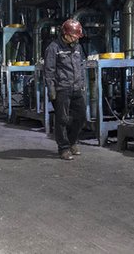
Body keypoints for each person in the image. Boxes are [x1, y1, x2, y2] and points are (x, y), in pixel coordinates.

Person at [44, 18, 86, 161]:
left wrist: (82, 83)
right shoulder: (53, 48)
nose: (75, 39)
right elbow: (49, 70)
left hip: (77, 87)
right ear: (65, 34)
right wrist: (51, 90)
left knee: (81, 116)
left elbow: (81, 66)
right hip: (62, 88)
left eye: (77, 37)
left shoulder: (77, 47)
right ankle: (63, 148)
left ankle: (72, 141)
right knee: (62, 119)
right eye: (73, 36)